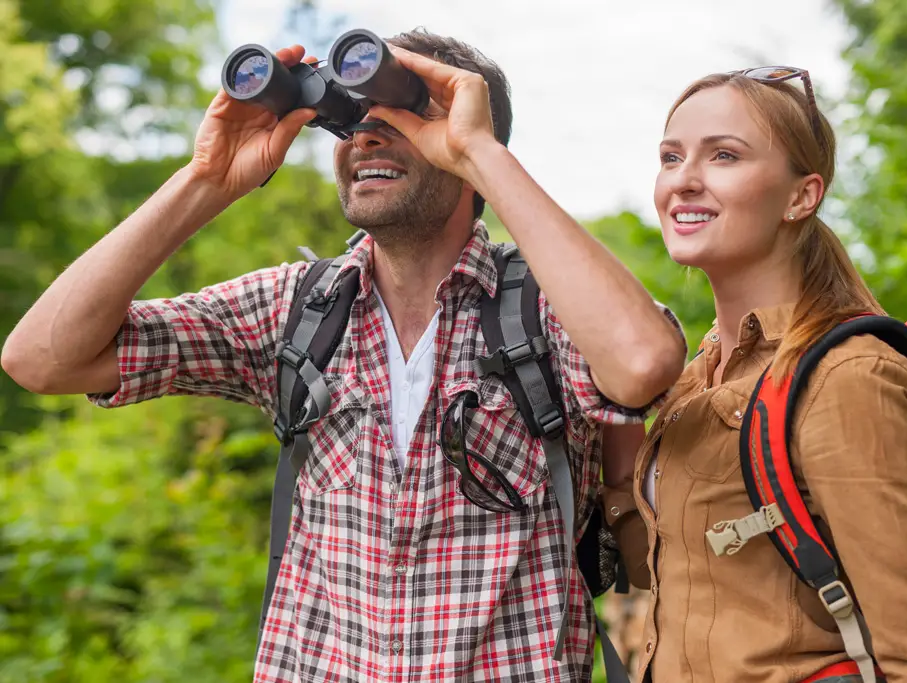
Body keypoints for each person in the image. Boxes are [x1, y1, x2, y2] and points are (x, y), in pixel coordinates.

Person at [1, 29, 686, 683]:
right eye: (352, 121)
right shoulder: (296, 309)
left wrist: (481, 154)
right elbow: (42, 358)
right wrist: (206, 179)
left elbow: (643, 362)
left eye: (401, 117)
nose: (364, 137)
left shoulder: (542, 308)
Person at [601, 67, 907, 682]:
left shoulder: (845, 377)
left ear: (803, 196)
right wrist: (618, 438)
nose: (684, 181)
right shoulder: (698, 376)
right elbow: (677, 572)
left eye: (724, 156)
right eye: (671, 157)